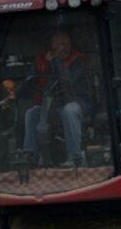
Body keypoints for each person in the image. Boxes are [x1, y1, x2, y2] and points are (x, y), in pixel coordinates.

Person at [22, 30, 90, 167]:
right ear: (52, 46)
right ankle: (30, 155)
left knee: (69, 111)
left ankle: (74, 156)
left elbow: (69, 81)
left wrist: (57, 60)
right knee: (32, 113)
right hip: (51, 104)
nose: (64, 48)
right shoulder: (43, 61)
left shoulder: (78, 60)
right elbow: (29, 82)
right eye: (60, 45)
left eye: (67, 44)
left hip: (76, 101)